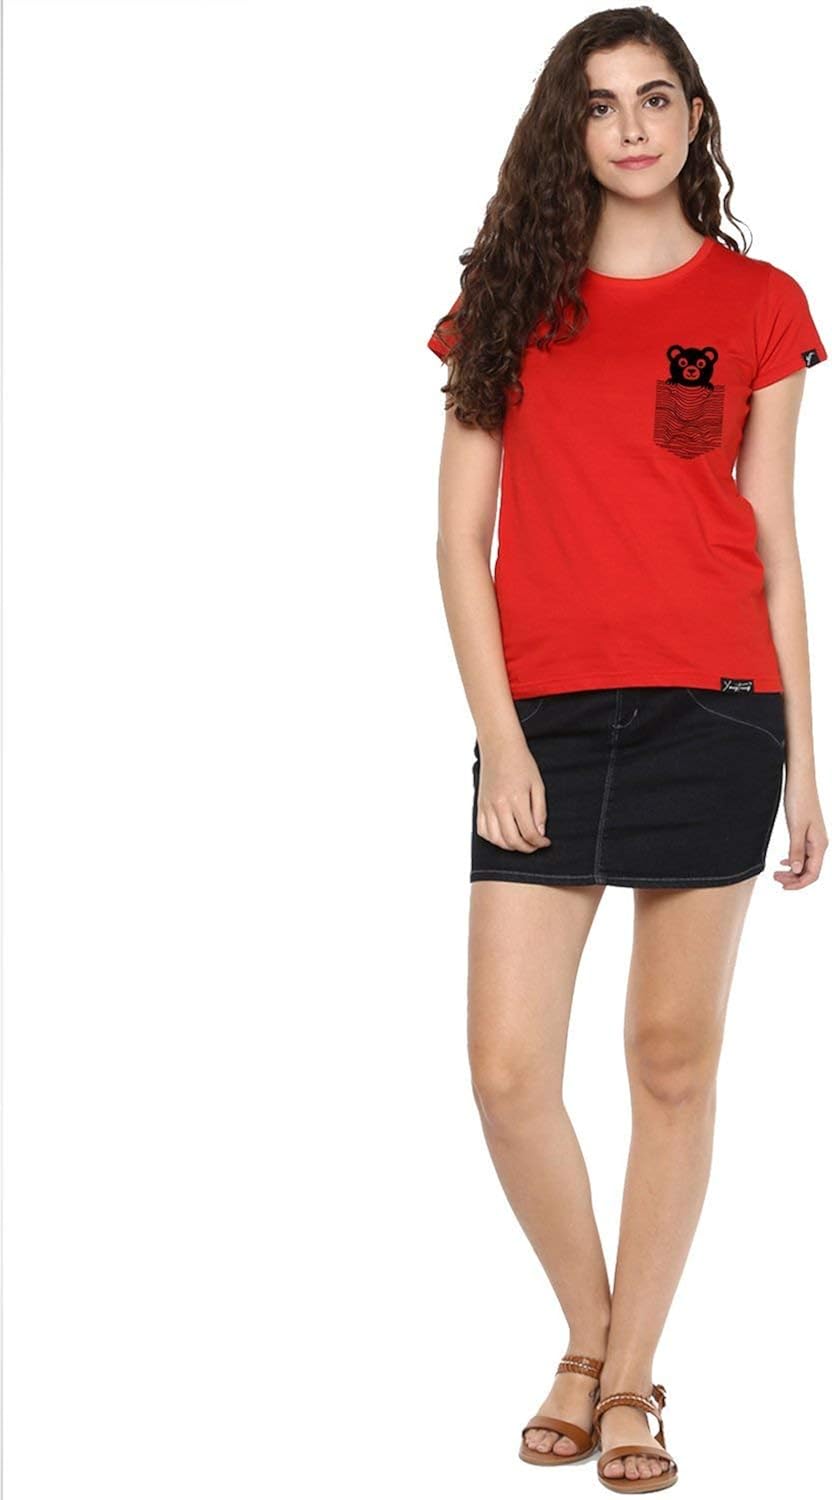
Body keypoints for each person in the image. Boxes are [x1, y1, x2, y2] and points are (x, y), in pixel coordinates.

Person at [426, 7, 828, 1494]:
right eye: (601, 105)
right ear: (570, 130)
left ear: (696, 117)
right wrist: (499, 738)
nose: (634, 127)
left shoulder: (762, 303)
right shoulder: (507, 300)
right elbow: (459, 544)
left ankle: (630, 1378)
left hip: (717, 708)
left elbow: (775, 541)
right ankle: (592, 1339)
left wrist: (806, 760)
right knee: (506, 1068)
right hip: (544, 714)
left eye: (657, 99)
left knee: (671, 1056)